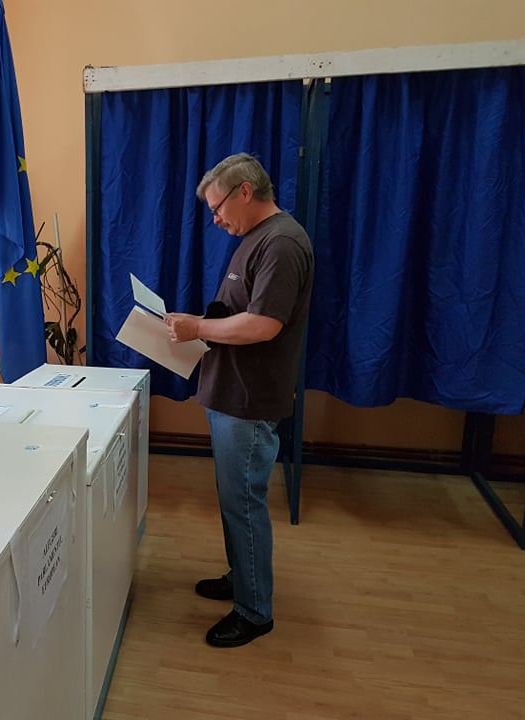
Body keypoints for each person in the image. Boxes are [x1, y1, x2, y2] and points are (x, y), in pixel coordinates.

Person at [165, 153, 313, 648]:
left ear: (244, 192)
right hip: (231, 391)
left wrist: (197, 328)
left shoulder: (282, 243)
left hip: (249, 399)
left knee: (243, 503)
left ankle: (254, 612)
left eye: (217, 208)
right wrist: (196, 325)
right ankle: (242, 577)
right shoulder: (257, 237)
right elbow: (240, 312)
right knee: (234, 500)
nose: (215, 219)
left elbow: (263, 325)